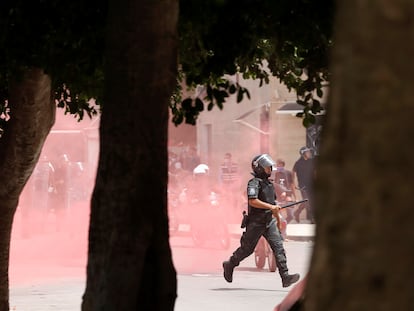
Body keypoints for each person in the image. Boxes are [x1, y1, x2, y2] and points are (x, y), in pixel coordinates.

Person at [222, 154, 300, 288]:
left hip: (269, 222)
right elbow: (253, 201)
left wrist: (277, 216)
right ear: (259, 168)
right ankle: (230, 264)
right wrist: (271, 207)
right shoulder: (253, 183)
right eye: (267, 167)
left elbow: (273, 203)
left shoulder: (269, 184)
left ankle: (285, 277)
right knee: (247, 250)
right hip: (256, 222)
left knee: (278, 248)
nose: (270, 169)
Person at [292, 147, 315, 223]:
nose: (309, 153)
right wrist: (293, 183)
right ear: (303, 154)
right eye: (307, 152)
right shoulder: (298, 163)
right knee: (307, 201)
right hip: (303, 185)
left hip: (311, 184)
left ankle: (297, 212)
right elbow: (293, 172)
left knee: (310, 200)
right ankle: (312, 218)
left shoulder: (311, 161)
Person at [274, 158, 296, 224]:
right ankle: (280, 226)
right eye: (278, 165)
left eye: (280, 165)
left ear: (283, 165)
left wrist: (295, 197)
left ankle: (284, 223)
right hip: (278, 196)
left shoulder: (288, 173)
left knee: (291, 215)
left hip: (287, 195)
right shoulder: (274, 173)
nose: (279, 166)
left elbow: (292, 185)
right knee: (279, 214)